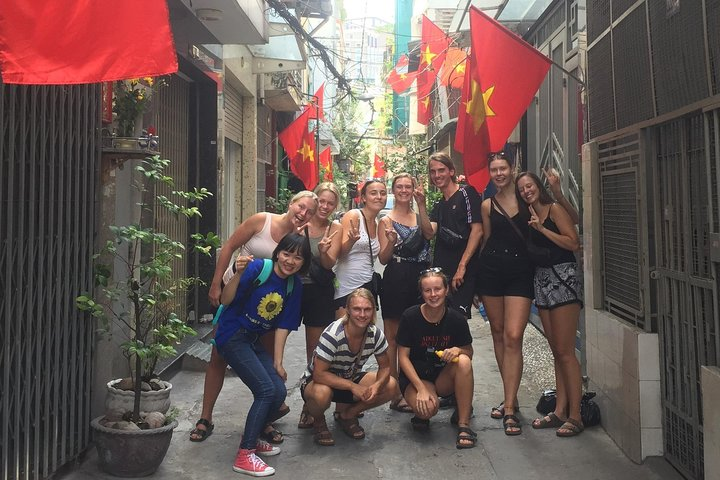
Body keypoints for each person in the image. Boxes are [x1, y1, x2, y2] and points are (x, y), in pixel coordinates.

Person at [190, 191, 318, 443]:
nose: (303, 213)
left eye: (309, 212)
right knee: (218, 357)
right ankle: (205, 417)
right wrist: (216, 283)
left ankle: (264, 421)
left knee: (265, 365)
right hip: (236, 297)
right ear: (291, 203)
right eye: (301, 207)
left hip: (268, 309)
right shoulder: (262, 220)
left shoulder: (299, 239)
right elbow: (229, 246)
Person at [214, 233, 310, 476]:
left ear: (303, 262)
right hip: (232, 335)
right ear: (278, 253)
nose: (290, 261)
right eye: (287, 254)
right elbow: (225, 300)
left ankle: (253, 438)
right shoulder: (257, 268)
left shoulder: (293, 284)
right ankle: (245, 455)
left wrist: (278, 362)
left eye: (297, 258)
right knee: (265, 391)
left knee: (277, 390)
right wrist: (236, 273)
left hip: (252, 340)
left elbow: (283, 326)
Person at [516, 172, 584, 437]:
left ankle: (575, 416)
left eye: (529, 186)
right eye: (521, 189)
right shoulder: (529, 214)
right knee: (556, 350)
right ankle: (559, 410)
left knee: (566, 351)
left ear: (538, 186)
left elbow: (573, 242)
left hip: (563, 279)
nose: (526, 191)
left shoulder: (553, 209)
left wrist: (542, 228)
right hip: (542, 282)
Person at [476, 152, 534, 436]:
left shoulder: (527, 199)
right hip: (491, 273)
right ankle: (510, 397)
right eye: (494, 169)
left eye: (503, 168)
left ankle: (509, 409)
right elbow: (486, 240)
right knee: (498, 333)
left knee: (513, 335)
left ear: (512, 170)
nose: (498, 173)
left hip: (521, 273)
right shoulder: (487, 205)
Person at [300, 288, 397, 446]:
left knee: (391, 385)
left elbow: (385, 367)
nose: (362, 314)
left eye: (367, 309)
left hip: (348, 376)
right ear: (348, 311)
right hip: (319, 382)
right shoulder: (333, 335)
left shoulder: (375, 334)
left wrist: (377, 386)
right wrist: (353, 387)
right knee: (321, 394)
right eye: (357, 309)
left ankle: (348, 414)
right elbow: (319, 374)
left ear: (373, 311)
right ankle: (318, 419)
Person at [396, 268, 476, 449]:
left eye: (437, 289)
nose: (433, 295)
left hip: (442, 377)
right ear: (421, 293)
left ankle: (464, 424)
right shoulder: (410, 316)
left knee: (463, 361)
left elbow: (469, 352)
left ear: (446, 290)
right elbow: (402, 358)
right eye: (427, 290)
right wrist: (420, 388)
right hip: (415, 377)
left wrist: (457, 350)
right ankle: (420, 410)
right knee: (427, 411)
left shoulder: (456, 319)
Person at [378, 173, 433, 413]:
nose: (403, 190)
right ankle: (395, 391)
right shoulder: (386, 220)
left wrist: (421, 205)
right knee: (393, 336)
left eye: (407, 186)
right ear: (393, 190)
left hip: (421, 277)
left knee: (418, 333)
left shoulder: (419, 215)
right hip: (396, 275)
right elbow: (383, 257)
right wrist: (390, 241)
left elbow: (429, 234)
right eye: (399, 186)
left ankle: (417, 385)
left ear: (413, 189)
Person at [297, 182, 343, 429]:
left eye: (330, 203)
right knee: (273, 346)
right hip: (292, 289)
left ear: (336, 206)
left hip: (319, 291)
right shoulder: (299, 221)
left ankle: (310, 404)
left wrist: (324, 251)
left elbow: (329, 264)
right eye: (322, 201)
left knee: (315, 352)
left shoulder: (334, 228)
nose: (324, 207)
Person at [427, 152, 483, 319]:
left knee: (458, 322)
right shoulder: (439, 203)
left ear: (451, 171)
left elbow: (478, 230)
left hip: (463, 271)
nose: (437, 175)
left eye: (441, 170)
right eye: (433, 171)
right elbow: (429, 233)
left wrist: (462, 266)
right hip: (442, 272)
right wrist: (421, 205)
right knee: (442, 322)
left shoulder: (467, 193)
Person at [334, 179, 390, 317]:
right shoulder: (354, 216)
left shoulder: (378, 222)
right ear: (364, 198)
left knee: (363, 334)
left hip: (367, 285)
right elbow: (338, 254)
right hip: (346, 286)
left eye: (383, 193)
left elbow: (383, 259)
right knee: (344, 333)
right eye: (373, 193)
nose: (378, 197)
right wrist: (351, 241)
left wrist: (391, 242)